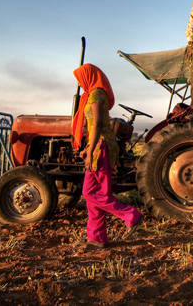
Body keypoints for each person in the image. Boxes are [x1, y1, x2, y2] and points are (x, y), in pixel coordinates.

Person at [72, 63, 142, 248]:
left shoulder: (95, 94)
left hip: (101, 148)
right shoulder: (95, 94)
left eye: (80, 79)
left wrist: (90, 151)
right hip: (99, 145)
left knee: (89, 193)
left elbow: (97, 125)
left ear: (88, 76)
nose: (80, 83)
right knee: (96, 194)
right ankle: (97, 237)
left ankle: (130, 214)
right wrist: (88, 147)